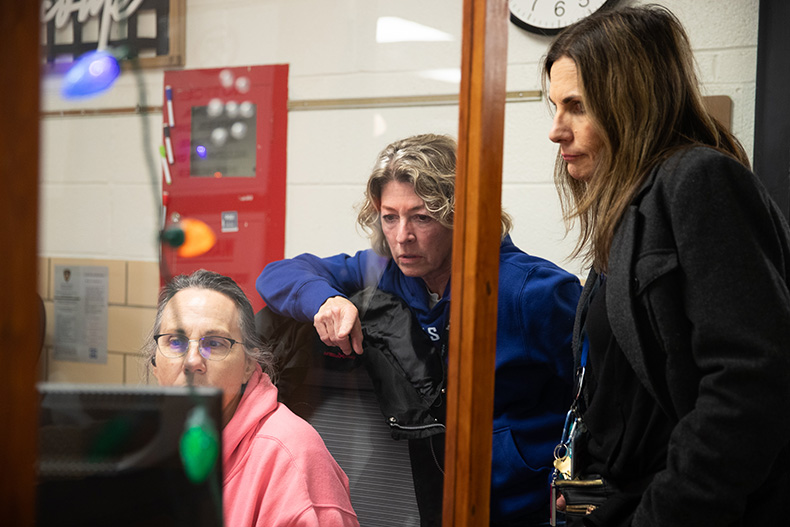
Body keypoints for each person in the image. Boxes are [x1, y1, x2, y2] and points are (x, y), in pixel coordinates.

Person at [543, 5, 790, 527]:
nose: (556, 130)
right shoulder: (631, 203)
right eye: (553, 107)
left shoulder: (699, 181)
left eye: (577, 106)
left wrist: (661, 514)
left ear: (631, 102)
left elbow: (747, 386)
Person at [256, 133, 581, 526]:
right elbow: (278, 274)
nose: (401, 236)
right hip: (424, 499)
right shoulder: (383, 272)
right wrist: (325, 300)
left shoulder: (533, 292)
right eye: (390, 216)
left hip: (519, 508)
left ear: (459, 215)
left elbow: (602, 400)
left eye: (422, 217)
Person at [142, 269, 360, 527]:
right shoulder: (142, 444)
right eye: (175, 342)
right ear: (155, 364)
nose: (192, 362)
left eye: (214, 343)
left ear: (248, 364)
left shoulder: (293, 458)